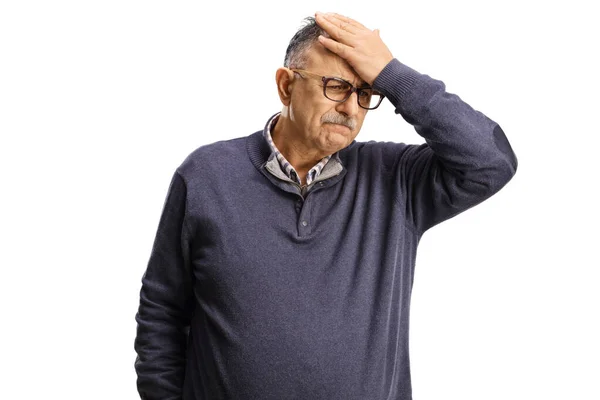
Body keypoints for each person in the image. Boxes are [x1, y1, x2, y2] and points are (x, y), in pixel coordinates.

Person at [134, 12, 517, 400]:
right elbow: (162, 313)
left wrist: (392, 74)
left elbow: (490, 162)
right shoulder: (207, 175)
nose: (352, 109)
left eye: (366, 93)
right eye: (336, 86)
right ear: (286, 86)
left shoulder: (396, 179)